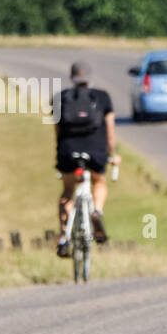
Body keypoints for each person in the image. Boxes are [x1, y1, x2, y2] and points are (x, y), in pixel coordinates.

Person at [53, 62, 119, 257]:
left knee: (67, 191)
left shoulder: (60, 98)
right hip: (95, 151)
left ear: (72, 77)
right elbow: (110, 132)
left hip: (68, 151)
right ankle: (96, 211)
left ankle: (64, 237)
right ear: (89, 78)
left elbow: (56, 131)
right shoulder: (102, 97)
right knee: (99, 181)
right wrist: (112, 154)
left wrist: (60, 153)